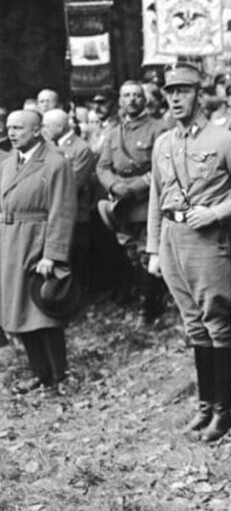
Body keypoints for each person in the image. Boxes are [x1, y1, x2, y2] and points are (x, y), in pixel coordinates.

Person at [146, 63, 231, 442]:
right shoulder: (164, 143)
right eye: (169, 92)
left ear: (201, 95)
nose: (175, 98)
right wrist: (153, 248)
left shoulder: (224, 140)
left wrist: (218, 212)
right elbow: (157, 197)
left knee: (216, 322)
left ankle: (223, 411)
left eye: (183, 90)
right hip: (172, 239)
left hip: (209, 241)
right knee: (193, 325)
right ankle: (205, 406)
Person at [2, 110, 75, 395]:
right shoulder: (8, 162)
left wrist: (52, 254)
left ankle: (59, 375)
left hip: (37, 242)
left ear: (36, 131)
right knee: (18, 310)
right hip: (9, 243)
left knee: (43, 309)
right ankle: (39, 372)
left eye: (18, 128)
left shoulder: (55, 163)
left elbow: (63, 212)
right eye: (9, 128)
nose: (11, 133)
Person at [97, 80, 166, 320]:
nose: (132, 100)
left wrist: (135, 187)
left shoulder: (158, 128)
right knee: (130, 253)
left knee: (149, 252)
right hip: (121, 202)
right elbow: (103, 166)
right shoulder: (114, 133)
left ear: (144, 100)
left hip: (146, 200)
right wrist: (115, 185)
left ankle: (150, 307)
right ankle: (141, 299)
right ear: (120, 101)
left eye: (137, 95)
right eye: (126, 96)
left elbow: (161, 166)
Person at [41, 109, 96, 291]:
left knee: (76, 262)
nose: (44, 129)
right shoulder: (48, 146)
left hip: (75, 215)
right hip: (51, 213)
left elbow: (73, 185)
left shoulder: (81, 149)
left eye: (46, 126)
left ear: (60, 126)